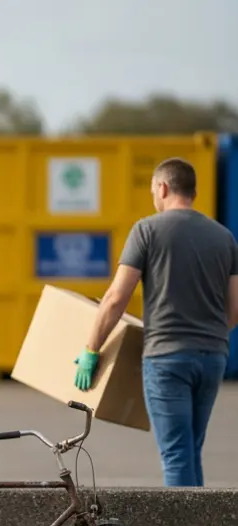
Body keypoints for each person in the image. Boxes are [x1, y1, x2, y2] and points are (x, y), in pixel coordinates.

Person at [75, 157, 238, 487]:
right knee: (190, 449)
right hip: (213, 357)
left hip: (167, 359)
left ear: (162, 187)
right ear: (193, 191)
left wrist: (92, 349)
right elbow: (234, 309)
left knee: (177, 454)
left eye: (153, 190)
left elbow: (115, 299)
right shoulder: (224, 238)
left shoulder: (147, 230)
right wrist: (210, 336)